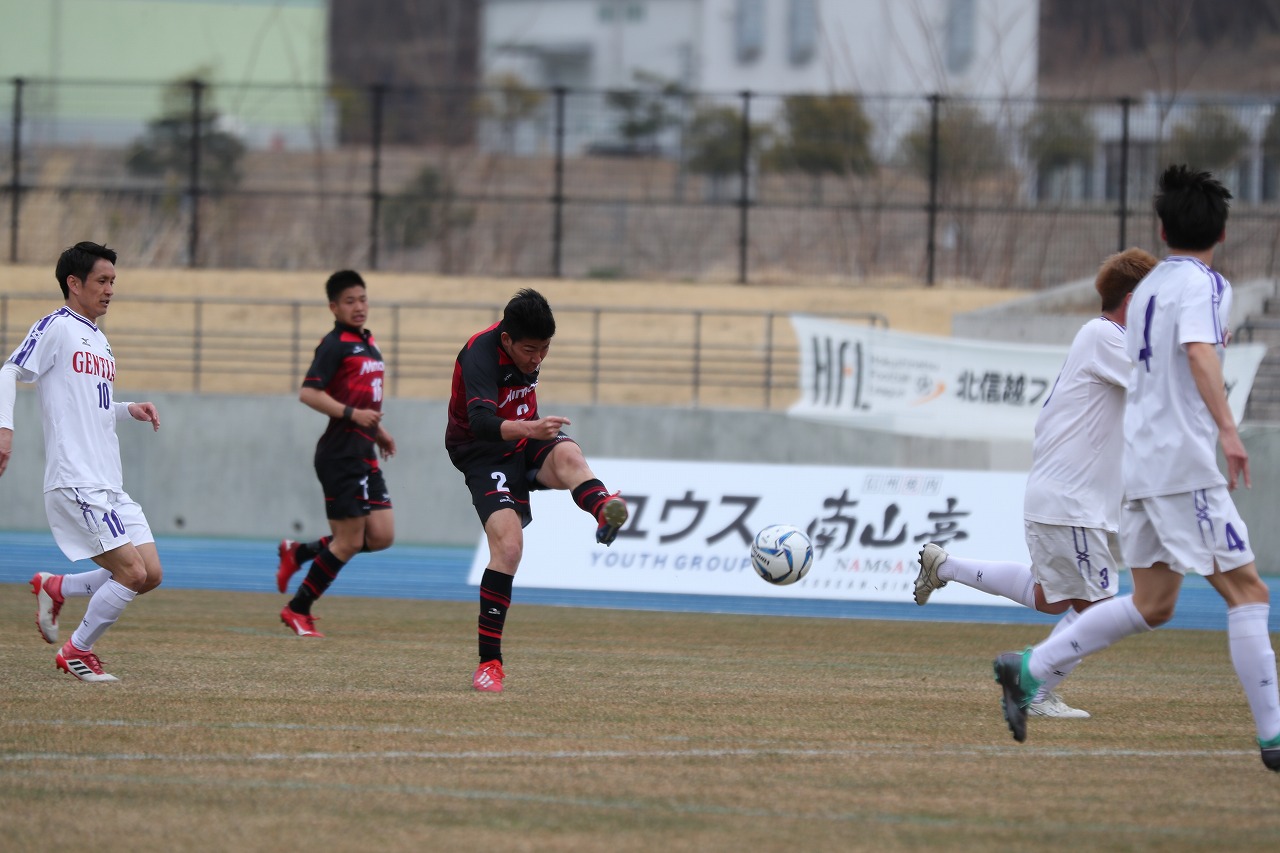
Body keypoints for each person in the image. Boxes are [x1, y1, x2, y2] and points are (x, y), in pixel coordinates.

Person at [992, 165, 1280, 771]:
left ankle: (1031, 668)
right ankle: (1274, 738)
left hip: (1142, 473)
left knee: (1152, 603)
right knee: (1249, 592)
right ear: (1222, 233)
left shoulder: (1145, 293)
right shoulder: (1207, 284)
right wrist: (1229, 430)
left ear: (1163, 230)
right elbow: (1197, 352)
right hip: (1183, 465)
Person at [915, 247, 1157, 719]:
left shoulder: (1105, 340)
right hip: (1072, 504)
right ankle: (1035, 689)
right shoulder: (1105, 336)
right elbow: (1159, 385)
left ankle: (944, 567)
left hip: (1067, 500)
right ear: (1133, 301)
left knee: (1050, 599)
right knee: (1099, 609)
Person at [446, 288, 629, 693]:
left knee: (570, 456)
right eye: (530, 350)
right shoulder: (479, 354)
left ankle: (604, 510)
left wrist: (530, 429)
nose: (537, 359)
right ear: (507, 339)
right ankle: (489, 664)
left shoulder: (529, 349)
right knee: (509, 549)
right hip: (482, 454)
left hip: (524, 439)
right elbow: (480, 422)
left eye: (545, 349)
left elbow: (523, 407)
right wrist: (530, 426)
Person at [0, 241, 163, 682]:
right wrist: (4, 428)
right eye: (102, 281)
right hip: (76, 479)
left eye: (113, 281)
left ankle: (56, 587)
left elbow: (92, 405)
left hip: (109, 481)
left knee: (150, 574)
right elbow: (9, 370)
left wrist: (128, 408)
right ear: (74, 284)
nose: (110, 290)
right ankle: (76, 652)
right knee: (130, 571)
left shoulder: (100, 340)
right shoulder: (56, 326)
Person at [276, 270, 396, 637]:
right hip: (341, 454)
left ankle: (299, 553)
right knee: (349, 541)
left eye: (362, 299)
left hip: (364, 451)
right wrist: (354, 415)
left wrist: (379, 432)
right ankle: (298, 609)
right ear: (334, 307)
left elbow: (362, 396)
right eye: (349, 301)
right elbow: (308, 393)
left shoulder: (367, 342)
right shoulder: (334, 344)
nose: (359, 306)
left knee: (381, 536)